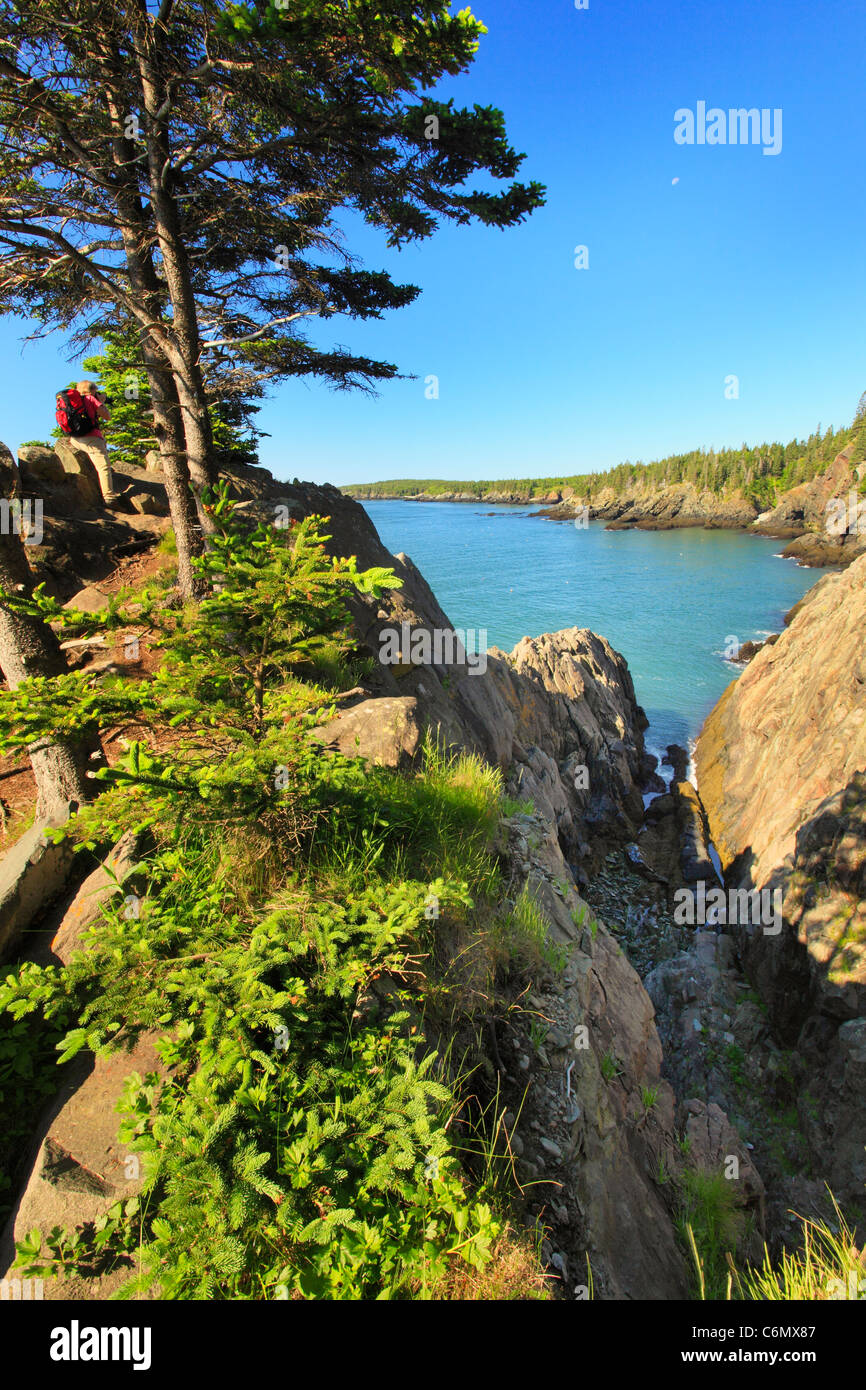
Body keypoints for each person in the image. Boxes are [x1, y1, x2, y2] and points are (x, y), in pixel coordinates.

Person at [67, 380, 120, 505]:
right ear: (92, 390)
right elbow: (107, 416)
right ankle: (109, 497)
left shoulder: (73, 401)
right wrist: (100, 402)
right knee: (104, 467)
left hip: (74, 439)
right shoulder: (91, 398)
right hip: (92, 439)